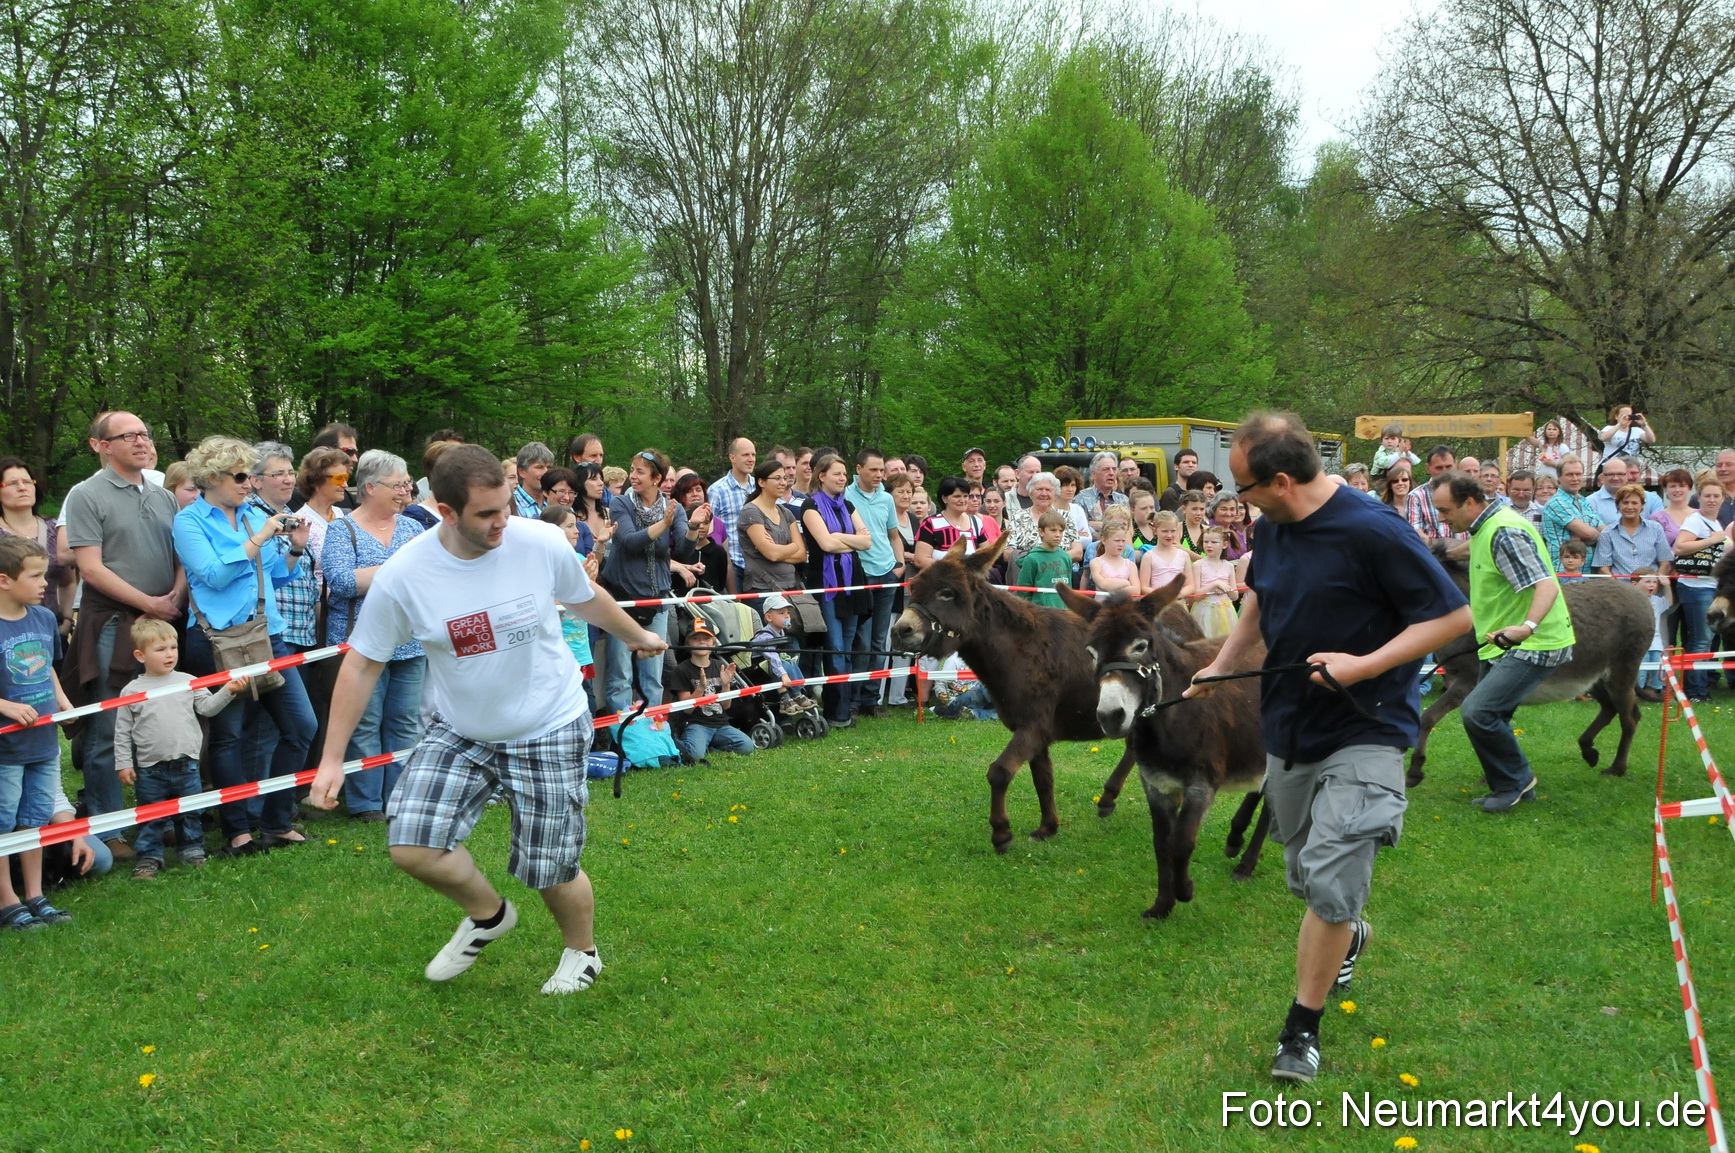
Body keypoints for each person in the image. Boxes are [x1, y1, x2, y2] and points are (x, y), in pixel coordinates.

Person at [307, 445, 664, 994]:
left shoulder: (538, 541)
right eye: (486, 514)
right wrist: (332, 759)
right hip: (461, 727)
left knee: (548, 866)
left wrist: (637, 637)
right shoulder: (406, 574)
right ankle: (490, 915)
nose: (503, 523)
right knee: (412, 846)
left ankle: (581, 952)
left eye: (505, 507)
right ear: (445, 512)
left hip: (548, 721)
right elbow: (361, 663)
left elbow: (584, 596)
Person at [1184, 412, 1469, 1086]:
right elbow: (1259, 601)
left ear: (1281, 480)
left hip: (1367, 724)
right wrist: (1223, 662)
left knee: (1334, 875)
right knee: (1308, 877)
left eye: (1243, 487)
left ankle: (1299, 1029)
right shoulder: (1273, 526)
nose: (1236, 499)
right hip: (1289, 726)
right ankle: (1347, 930)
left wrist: (1362, 665)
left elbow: (1454, 615)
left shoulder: (1373, 530)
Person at [174, 436, 318, 857]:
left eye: (250, 477)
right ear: (212, 477)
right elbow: (214, 576)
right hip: (218, 640)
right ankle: (237, 830)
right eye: (240, 477)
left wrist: (294, 547)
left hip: (268, 635)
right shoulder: (189, 522)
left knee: (300, 727)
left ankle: (275, 820)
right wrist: (258, 539)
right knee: (228, 736)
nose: (248, 484)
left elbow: (273, 576)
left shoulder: (254, 514)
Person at [60, 411, 185, 861]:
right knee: (107, 730)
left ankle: (160, 820)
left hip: (162, 622)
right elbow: (90, 568)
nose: (140, 440)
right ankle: (110, 829)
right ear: (101, 445)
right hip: (112, 625)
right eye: (128, 435)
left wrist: (173, 594)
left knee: (161, 723)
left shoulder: (163, 496)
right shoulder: (86, 495)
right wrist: (149, 603)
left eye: (144, 433)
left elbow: (179, 554)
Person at [1430, 471, 1575, 811]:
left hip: (1534, 642)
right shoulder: (1486, 525)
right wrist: (1443, 557)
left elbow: (1547, 585)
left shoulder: (1505, 532)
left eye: (1446, 510)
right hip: (1501, 642)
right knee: (1492, 713)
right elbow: (1472, 548)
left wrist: (1526, 626)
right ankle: (1508, 784)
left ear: (1469, 502)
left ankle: (1516, 782)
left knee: (1478, 712)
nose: (1441, 518)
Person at [322, 451, 428, 821]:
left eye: (406, 483)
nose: (405, 491)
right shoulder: (342, 528)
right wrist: (397, 571)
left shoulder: (413, 529)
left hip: (411, 641)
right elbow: (341, 581)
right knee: (364, 722)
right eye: (398, 484)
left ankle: (398, 799)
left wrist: (379, 575)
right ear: (370, 487)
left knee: (403, 721)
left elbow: (427, 576)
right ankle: (366, 804)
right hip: (361, 642)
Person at [115, 618, 252, 878]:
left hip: (187, 765)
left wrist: (228, 691)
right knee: (152, 815)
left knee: (190, 812)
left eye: (173, 648)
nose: (169, 654)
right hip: (150, 769)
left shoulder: (189, 680)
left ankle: (191, 850)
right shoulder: (131, 691)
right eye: (160, 649)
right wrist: (122, 763)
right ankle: (149, 857)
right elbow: (122, 732)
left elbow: (208, 708)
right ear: (140, 655)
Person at [0, 535, 74, 929]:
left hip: (44, 742)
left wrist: (62, 702)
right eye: (35, 576)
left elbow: (46, 666)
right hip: (6, 747)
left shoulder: (44, 618)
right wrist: (6, 706)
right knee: (3, 821)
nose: (45, 583)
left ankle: (34, 893)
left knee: (35, 817)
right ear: (4, 580)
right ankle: (6, 899)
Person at [599, 449, 700, 721]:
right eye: (632, 470)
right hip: (622, 599)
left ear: (657, 478)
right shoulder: (621, 503)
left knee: (652, 675)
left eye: (639, 471)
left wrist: (692, 527)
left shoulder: (673, 507)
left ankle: (653, 730)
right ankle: (622, 733)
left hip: (656, 599)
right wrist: (663, 524)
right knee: (620, 673)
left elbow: (683, 552)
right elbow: (630, 542)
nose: (632, 476)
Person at [802, 453, 872, 727]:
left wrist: (840, 538)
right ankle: (837, 712)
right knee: (835, 648)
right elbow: (825, 546)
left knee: (849, 646)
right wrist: (850, 541)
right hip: (826, 585)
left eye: (844, 474)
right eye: (836, 473)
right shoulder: (810, 507)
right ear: (821, 476)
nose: (842, 478)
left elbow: (867, 543)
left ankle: (844, 708)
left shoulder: (849, 505)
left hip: (852, 582)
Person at [845, 449, 903, 718]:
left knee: (881, 640)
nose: (880, 475)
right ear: (859, 469)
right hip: (861, 575)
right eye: (874, 470)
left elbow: (894, 535)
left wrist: (898, 565)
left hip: (887, 573)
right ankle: (854, 699)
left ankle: (871, 699)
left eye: (882, 470)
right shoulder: (845, 495)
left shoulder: (887, 499)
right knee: (862, 640)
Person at [666, 622, 756, 764]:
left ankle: (709, 747)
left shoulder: (719, 666)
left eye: (706, 638)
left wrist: (726, 685)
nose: (702, 642)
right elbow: (686, 709)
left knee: (747, 746)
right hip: (695, 724)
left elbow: (726, 706)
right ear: (687, 643)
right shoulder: (681, 670)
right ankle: (678, 742)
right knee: (694, 755)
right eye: (696, 638)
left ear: (713, 643)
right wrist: (701, 688)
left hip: (720, 724)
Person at [0, 457, 73, 629]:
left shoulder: (56, 529)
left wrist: (67, 619)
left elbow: (68, 581)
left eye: (27, 481)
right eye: (12, 483)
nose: (22, 488)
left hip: (51, 626)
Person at [1673, 475, 1727, 701]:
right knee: (1700, 639)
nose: (1712, 500)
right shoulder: (1696, 521)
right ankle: (1696, 691)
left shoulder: (1716, 523)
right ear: (1699, 498)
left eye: (1716, 496)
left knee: (1703, 638)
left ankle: (1698, 687)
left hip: (1710, 586)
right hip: (1695, 587)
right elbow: (1680, 547)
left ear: (1723, 499)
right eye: (1707, 496)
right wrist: (1712, 540)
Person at [748, 594, 817, 715]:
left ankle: (797, 692)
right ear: (769, 617)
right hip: (757, 668)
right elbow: (772, 657)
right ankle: (787, 697)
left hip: (774, 665)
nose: (787, 616)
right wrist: (783, 674)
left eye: (788, 613)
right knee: (781, 663)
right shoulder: (765, 636)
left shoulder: (781, 632)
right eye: (781, 613)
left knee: (790, 661)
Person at [706, 438, 758, 592]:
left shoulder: (760, 487)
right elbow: (709, 531)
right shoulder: (717, 490)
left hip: (758, 564)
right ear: (732, 458)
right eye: (746, 455)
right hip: (732, 564)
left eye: (754, 455)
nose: (751, 459)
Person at [1594, 483, 1673, 578]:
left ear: (1642, 505)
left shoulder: (1656, 529)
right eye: (1625, 502)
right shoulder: (1607, 533)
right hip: (1621, 588)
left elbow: (1665, 563)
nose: (1630, 507)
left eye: (1634, 503)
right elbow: (1603, 568)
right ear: (1618, 505)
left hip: (1651, 587)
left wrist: (1654, 584)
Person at [914, 477, 995, 569]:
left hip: (972, 579)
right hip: (941, 579)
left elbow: (988, 556)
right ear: (944, 498)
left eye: (965, 496)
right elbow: (920, 560)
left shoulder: (976, 522)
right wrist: (952, 568)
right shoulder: (930, 524)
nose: (963, 500)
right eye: (957, 496)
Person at [1002, 473, 1081, 567]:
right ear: (1030, 493)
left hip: (1059, 572)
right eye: (1039, 489)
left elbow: (1078, 552)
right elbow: (1007, 554)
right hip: (1027, 572)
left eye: (1048, 490)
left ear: (1055, 494)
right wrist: (1037, 561)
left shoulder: (1065, 516)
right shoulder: (1018, 517)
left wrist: (1052, 559)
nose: (1044, 494)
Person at [1540, 455, 1602, 568]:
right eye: (1569, 475)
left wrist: (1590, 537)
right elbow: (1588, 533)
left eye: (1578, 474)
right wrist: (1592, 536)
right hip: (1564, 572)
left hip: (1586, 571)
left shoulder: (1584, 501)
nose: (1575, 478)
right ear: (1558, 477)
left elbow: (1604, 531)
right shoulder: (1556, 503)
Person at [1188, 526, 1239, 637]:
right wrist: (1214, 584)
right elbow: (1196, 596)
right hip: (1204, 611)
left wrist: (1226, 589)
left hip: (1225, 611)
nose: (1209, 545)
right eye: (1206, 541)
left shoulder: (1228, 566)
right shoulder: (1198, 565)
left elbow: (1235, 596)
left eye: (1214, 542)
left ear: (1224, 545)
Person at [1015, 512, 1073, 608]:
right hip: (1041, 613)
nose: (1058, 535)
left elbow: (1069, 587)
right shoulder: (1032, 559)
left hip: (1063, 613)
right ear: (1041, 532)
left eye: (1061, 531)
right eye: (1053, 530)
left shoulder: (1066, 557)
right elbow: (1023, 590)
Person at [1404, 446, 1459, 539]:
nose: (1444, 472)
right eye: (1439, 468)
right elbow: (1415, 532)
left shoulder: (1467, 492)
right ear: (1428, 468)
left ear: (1456, 465)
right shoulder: (1416, 496)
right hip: (1432, 551)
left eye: (1449, 467)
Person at [1587, 456, 1660, 525]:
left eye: (1620, 474)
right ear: (1602, 477)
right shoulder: (1590, 502)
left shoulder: (1652, 499)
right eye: (1611, 474)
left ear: (1626, 476)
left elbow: (1657, 527)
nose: (1615, 478)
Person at [1634, 567, 1670, 703]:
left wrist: (1666, 585)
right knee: (1640, 669)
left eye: (1654, 582)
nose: (1652, 585)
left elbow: (1669, 602)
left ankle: (1656, 691)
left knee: (1659, 666)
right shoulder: (1630, 600)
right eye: (1647, 581)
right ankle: (1638, 691)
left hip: (1655, 642)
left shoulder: (1657, 601)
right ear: (1634, 583)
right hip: (1638, 642)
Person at [1139, 511, 1195, 598]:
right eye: (1164, 531)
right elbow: (1144, 587)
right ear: (1155, 530)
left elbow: (1190, 585)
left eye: (1173, 531)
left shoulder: (1184, 555)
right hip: (1158, 605)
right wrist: (1162, 595)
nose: (1169, 535)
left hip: (1178, 603)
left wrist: (1179, 594)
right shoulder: (1149, 557)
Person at [1090, 509, 1142, 596]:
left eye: (1123, 540)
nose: (1121, 544)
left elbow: (1136, 590)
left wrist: (1111, 586)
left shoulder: (1130, 565)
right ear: (1104, 540)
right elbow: (1102, 584)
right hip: (1103, 606)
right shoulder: (1096, 562)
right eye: (1117, 540)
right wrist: (1126, 582)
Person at [1074, 452, 1128, 531]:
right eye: (1106, 469)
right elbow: (1080, 528)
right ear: (1094, 474)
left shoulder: (1123, 500)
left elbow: (1127, 529)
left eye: (1114, 469)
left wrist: (1095, 525)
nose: (1111, 473)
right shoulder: (1081, 499)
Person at [1652, 468, 1697, 547]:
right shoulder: (1658, 518)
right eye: (1673, 486)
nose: (1677, 490)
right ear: (1665, 489)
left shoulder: (1700, 515)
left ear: (1689, 488)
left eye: (1682, 486)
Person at [513, 442, 555, 518]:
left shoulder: (557, 500)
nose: (546, 472)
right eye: (539, 467)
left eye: (549, 467)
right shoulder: (510, 505)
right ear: (522, 472)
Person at [1177, 490, 1210, 554]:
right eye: (1194, 509)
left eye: (1202, 509)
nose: (1198, 513)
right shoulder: (1177, 529)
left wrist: (1183, 549)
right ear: (1184, 509)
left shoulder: (1208, 530)